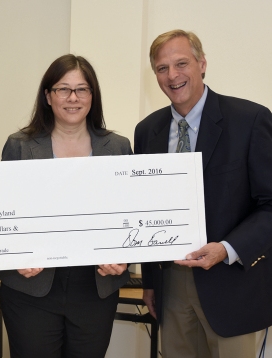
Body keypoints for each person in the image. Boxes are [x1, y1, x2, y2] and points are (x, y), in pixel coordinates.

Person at [135, 29, 272, 358]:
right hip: (172, 288)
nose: (173, 75)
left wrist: (226, 249)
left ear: (202, 64)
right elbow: (147, 208)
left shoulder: (250, 120)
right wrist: (151, 282)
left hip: (232, 283)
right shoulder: (147, 131)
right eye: (162, 68)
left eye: (181, 63)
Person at [0, 54, 131, 358]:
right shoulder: (19, 145)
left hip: (95, 288)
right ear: (48, 96)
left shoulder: (119, 147)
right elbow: (5, 214)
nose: (73, 98)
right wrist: (15, 254)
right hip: (31, 288)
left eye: (82, 89)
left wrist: (125, 255)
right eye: (63, 89)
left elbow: (130, 215)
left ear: (92, 96)